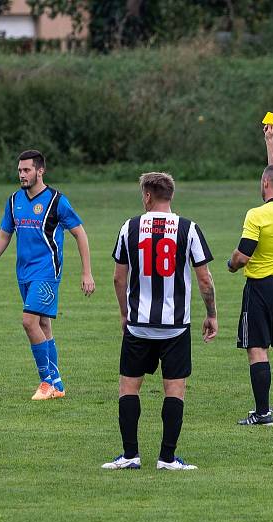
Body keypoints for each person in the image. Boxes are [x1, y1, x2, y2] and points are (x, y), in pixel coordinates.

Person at [102, 172, 218, 471]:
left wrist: (124, 312)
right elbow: (205, 281)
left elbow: (118, 276)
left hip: (139, 323)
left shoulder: (129, 227)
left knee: (129, 388)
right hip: (175, 325)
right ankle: (167, 458)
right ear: (171, 196)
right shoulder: (188, 228)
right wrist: (211, 314)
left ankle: (130, 455)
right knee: (175, 390)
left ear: (147, 196)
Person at [0, 150, 95, 400]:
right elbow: (4, 236)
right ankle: (58, 385)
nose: (22, 174)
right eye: (19, 170)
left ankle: (46, 382)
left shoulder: (56, 201)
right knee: (43, 325)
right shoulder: (13, 201)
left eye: (27, 170)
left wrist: (87, 272)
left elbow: (80, 233)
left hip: (47, 272)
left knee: (29, 322)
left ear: (40, 171)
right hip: (24, 273)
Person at [228, 123, 273, 426]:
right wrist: (270, 141)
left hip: (260, 288)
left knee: (257, 349)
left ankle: (261, 414)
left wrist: (231, 264)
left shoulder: (257, 215)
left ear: (265, 184)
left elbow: (243, 255)